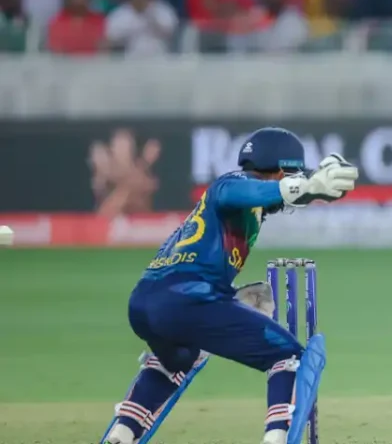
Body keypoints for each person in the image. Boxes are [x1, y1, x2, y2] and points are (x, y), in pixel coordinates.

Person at [101, 127, 360, 444]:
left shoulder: (237, 205)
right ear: (280, 170)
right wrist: (306, 185)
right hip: (189, 301)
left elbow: (277, 195)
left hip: (146, 302)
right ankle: (276, 439)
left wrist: (318, 188)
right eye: (292, 173)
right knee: (288, 356)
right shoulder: (231, 185)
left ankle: (123, 432)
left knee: (179, 360)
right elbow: (252, 191)